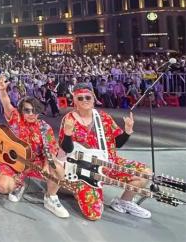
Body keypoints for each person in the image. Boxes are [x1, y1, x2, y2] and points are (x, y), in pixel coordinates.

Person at [59, 83, 152, 221]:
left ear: (93, 98)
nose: (84, 100)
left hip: (109, 163)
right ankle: (71, 188)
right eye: (80, 98)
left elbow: (117, 143)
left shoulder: (104, 118)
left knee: (145, 173)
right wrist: (67, 133)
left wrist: (127, 131)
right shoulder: (69, 119)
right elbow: (66, 149)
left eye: (87, 97)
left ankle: (124, 202)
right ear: (75, 100)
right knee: (93, 214)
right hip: (84, 171)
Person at [0, 76, 70, 218]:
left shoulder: (45, 128)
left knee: (58, 169)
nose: (31, 114)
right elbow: (6, 103)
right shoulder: (15, 118)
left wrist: (46, 165)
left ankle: (51, 197)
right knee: (3, 187)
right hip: (13, 162)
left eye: (35, 110)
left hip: (35, 163)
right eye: (27, 110)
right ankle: (18, 184)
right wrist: (2, 90)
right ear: (21, 110)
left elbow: (51, 150)